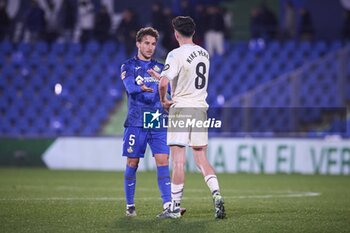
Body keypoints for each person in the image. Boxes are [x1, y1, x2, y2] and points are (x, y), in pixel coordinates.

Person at [157, 16, 226, 219]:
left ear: (176, 33)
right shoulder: (204, 53)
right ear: (193, 32)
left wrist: (164, 101)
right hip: (199, 110)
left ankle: (174, 208)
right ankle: (217, 195)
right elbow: (186, 79)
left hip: (181, 110)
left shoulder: (175, 54)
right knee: (201, 158)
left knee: (178, 161)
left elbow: (163, 84)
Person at [120, 27, 185, 217]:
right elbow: (130, 87)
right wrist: (142, 88)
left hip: (156, 118)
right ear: (138, 44)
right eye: (146, 43)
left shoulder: (161, 68)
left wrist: (169, 100)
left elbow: (170, 92)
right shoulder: (128, 66)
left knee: (163, 160)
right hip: (136, 120)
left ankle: (168, 205)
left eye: (153, 44)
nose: (150, 47)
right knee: (132, 162)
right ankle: (130, 205)